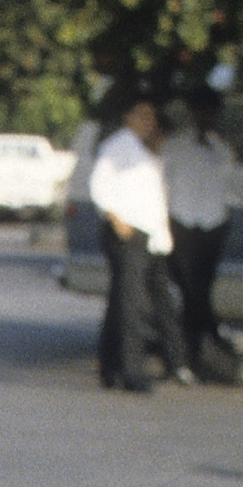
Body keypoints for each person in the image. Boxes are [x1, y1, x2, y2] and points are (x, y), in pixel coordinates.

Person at [88, 94, 186, 390]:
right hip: (126, 233)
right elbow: (99, 185)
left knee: (121, 303)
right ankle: (132, 372)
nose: (148, 122)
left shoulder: (146, 151)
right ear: (127, 117)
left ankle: (110, 366)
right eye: (141, 115)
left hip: (146, 235)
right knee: (131, 306)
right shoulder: (118, 146)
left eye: (151, 117)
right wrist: (116, 219)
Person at [162, 89, 238, 381]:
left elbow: (227, 190)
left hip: (211, 226)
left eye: (212, 113)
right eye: (202, 111)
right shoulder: (176, 146)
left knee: (201, 292)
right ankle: (182, 356)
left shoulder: (222, 149)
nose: (207, 118)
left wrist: (222, 222)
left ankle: (194, 356)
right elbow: (165, 185)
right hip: (182, 225)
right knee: (185, 293)